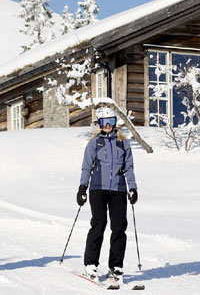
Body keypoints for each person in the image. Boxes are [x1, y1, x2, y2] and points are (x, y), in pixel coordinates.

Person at [77, 106, 138, 283]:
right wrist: (82, 188)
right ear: (99, 123)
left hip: (118, 189)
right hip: (98, 189)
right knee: (99, 224)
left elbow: (129, 168)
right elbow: (86, 167)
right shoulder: (94, 143)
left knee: (119, 227)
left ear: (115, 122)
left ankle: (116, 267)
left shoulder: (123, 143)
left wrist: (132, 188)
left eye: (111, 121)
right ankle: (90, 264)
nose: (108, 126)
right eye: (104, 122)